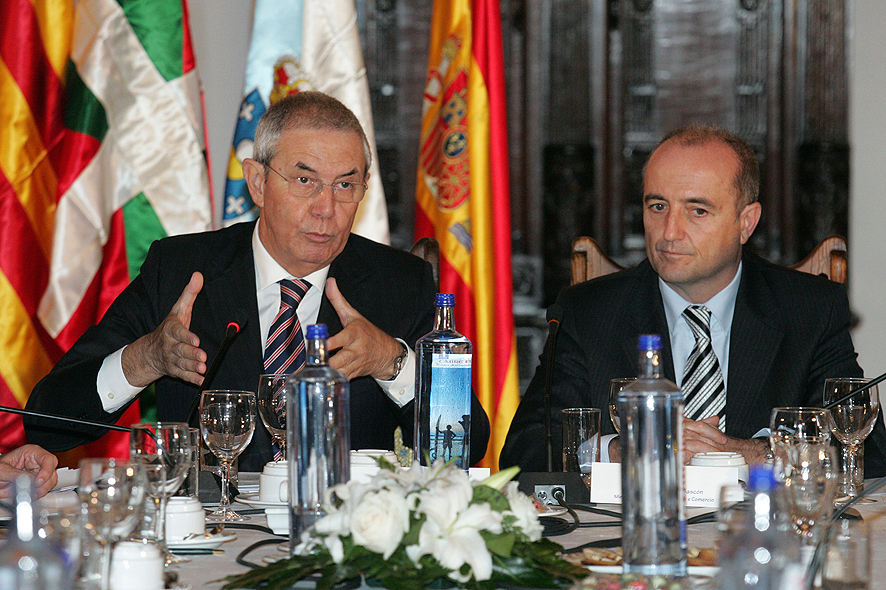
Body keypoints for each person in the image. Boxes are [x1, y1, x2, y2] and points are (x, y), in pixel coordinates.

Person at [25, 91, 490, 471]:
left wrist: (394, 362)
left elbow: (468, 448)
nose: (326, 208)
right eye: (305, 181)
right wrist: (145, 358)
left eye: (346, 185)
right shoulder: (183, 270)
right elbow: (47, 422)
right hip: (211, 535)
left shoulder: (400, 282)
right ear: (257, 182)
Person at [501, 123, 885, 477]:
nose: (670, 232)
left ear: (746, 223)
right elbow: (525, 451)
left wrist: (752, 453)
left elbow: (867, 452)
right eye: (657, 207)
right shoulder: (586, 313)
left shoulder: (811, 310)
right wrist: (620, 451)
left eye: (697, 210)